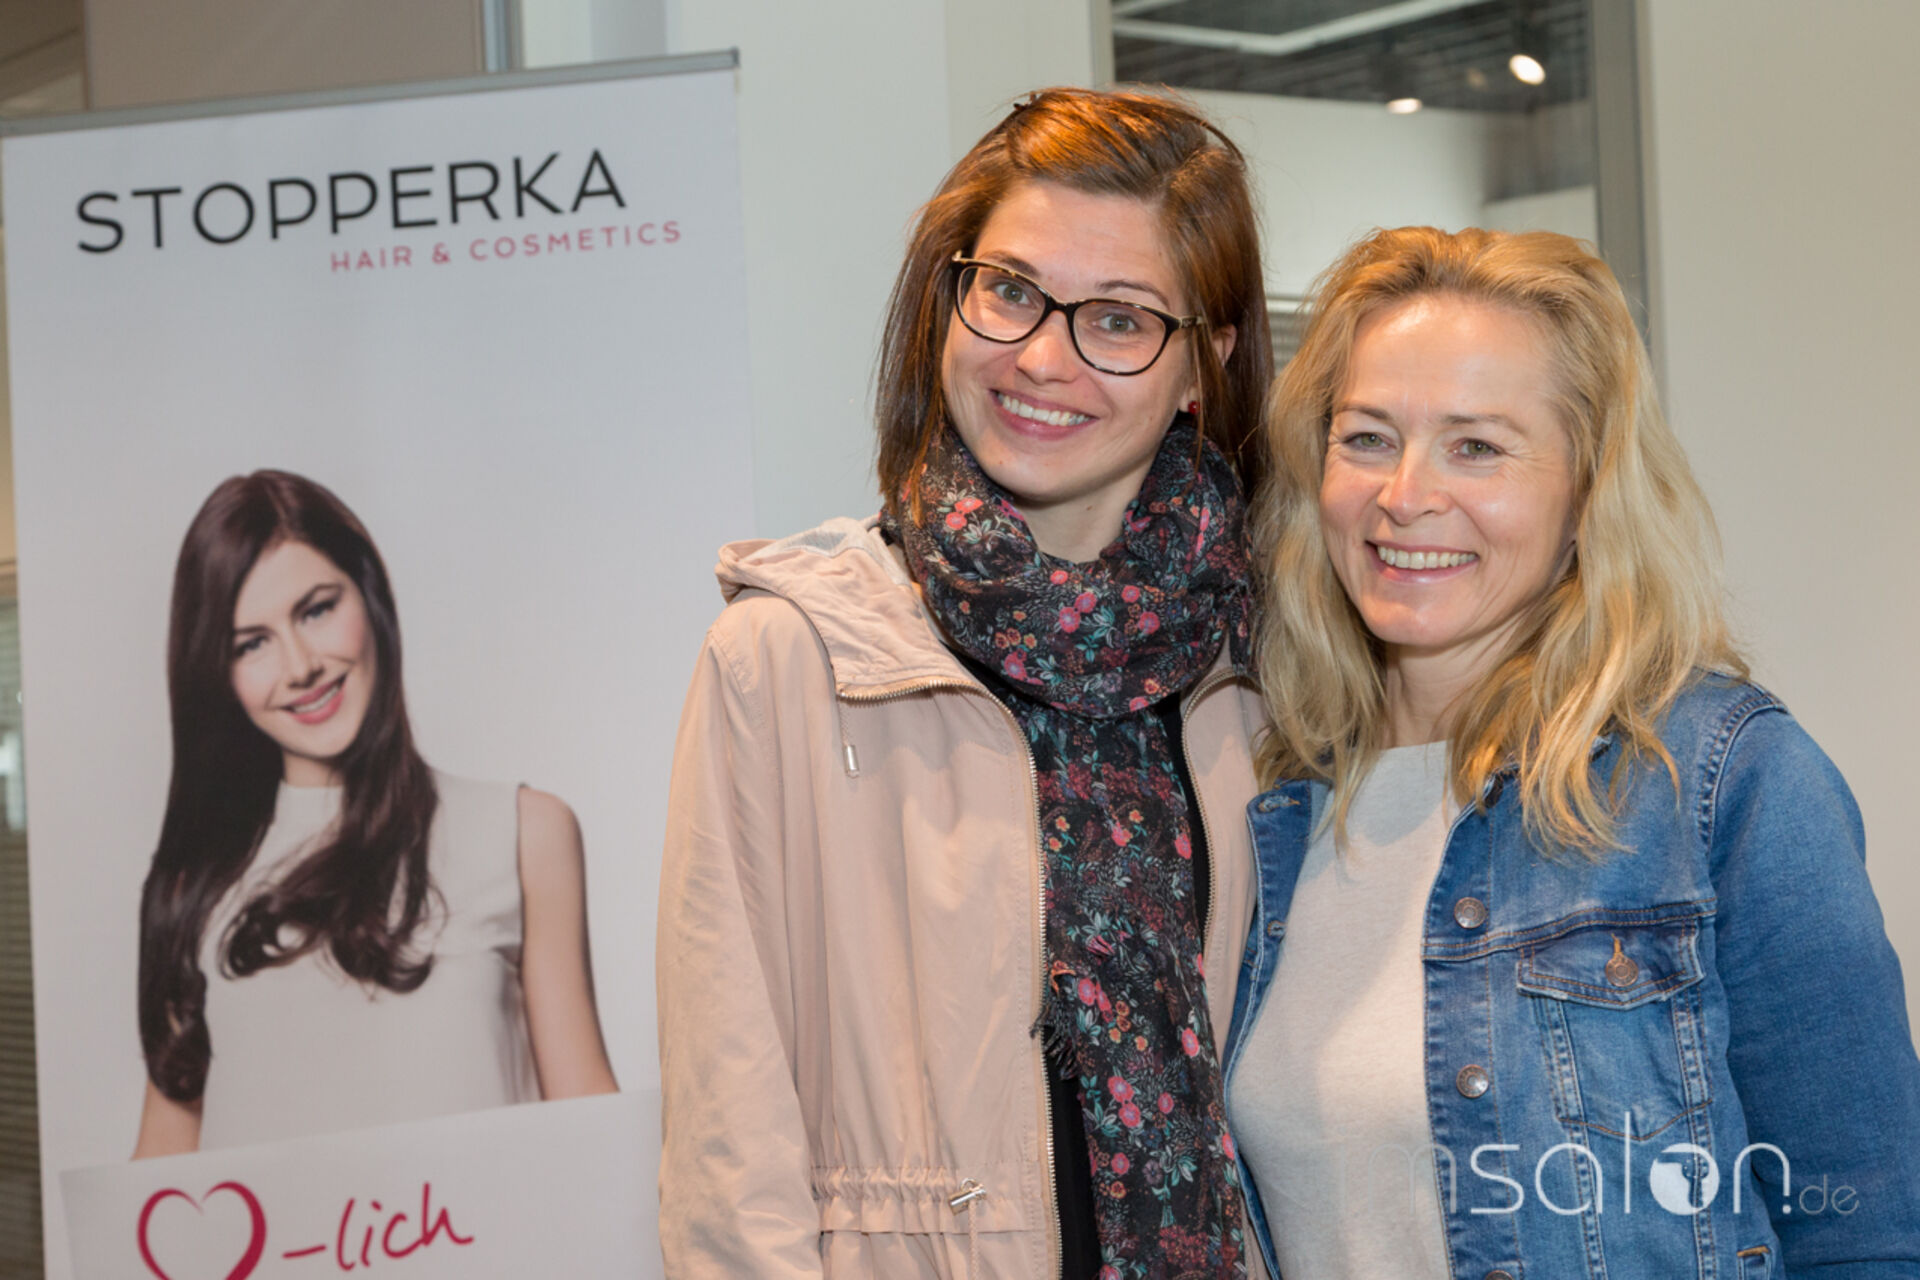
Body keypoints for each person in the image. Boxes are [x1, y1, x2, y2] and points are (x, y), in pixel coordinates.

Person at [657, 88, 1273, 1279]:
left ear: (1206, 360)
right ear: (949, 298)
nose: (1042, 357)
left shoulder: (1257, 671)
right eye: (1011, 290)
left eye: (1119, 318)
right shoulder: (787, 658)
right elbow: (729, 1161)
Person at [1226, 226, 1920, 1278]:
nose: (1405, 494)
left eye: (1477, 446)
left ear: (1587, 491)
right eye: (1366, 437)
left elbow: (1867, 1234)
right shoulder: (1270, 801)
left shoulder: (1722, 782)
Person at [134, 470, 616, 1156]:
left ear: (370, 595)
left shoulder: (524, 832)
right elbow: (162, 1172)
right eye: (251, 643)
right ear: (219, 673)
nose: (300, 666)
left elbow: (588, 1126)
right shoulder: (196, 881)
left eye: (316, 610)